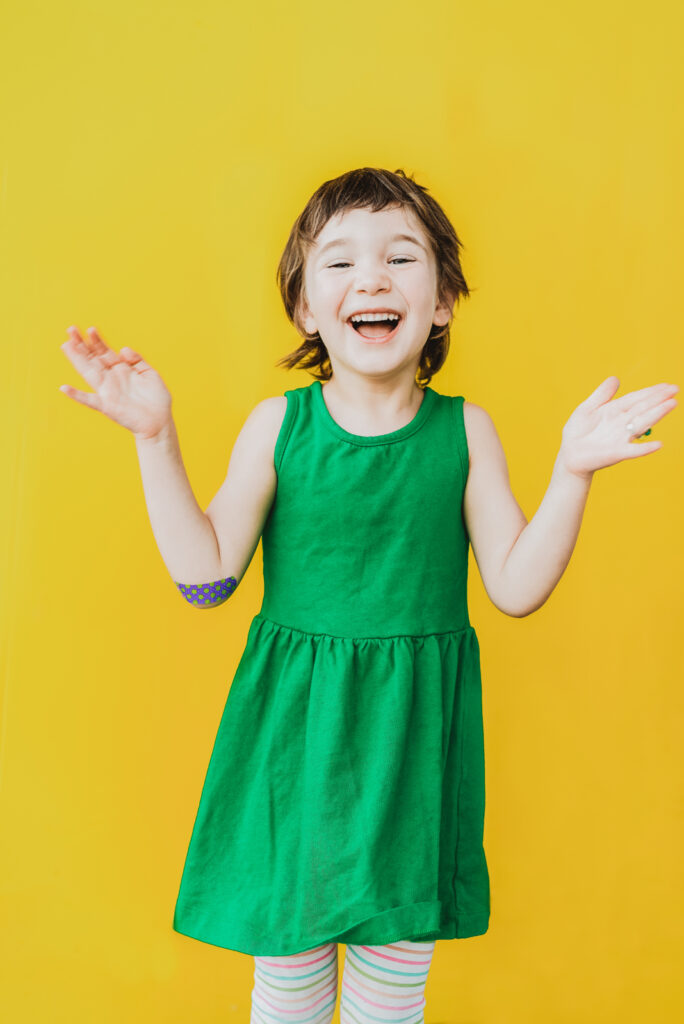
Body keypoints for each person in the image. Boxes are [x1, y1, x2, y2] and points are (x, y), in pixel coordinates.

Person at [58, 166, 678, 1024]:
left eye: (402, 257)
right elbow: (205, 577)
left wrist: (572, 472)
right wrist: (156, 439)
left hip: (409, 752)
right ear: (308, 307)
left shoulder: (465, 431)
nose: (373, 279)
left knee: (392, 999)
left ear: (445, 300)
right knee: (289, 992)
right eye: (340, 263)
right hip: (294, 752)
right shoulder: (279, 426)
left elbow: (517, 586)